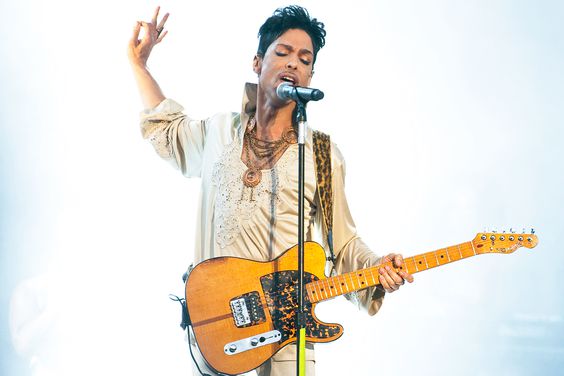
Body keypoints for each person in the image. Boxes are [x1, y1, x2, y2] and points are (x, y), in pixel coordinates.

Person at [128, 5, 414, 376]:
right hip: (220, 330)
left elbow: (342, 244)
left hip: (288, 338)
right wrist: (140, 65)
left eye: (304, 59)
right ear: (257, 62)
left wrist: (376, 268)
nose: (294, 63)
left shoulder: (322, 155)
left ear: (311, 74)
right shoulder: (218, 133)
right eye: (283, 53)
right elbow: (168, 129)